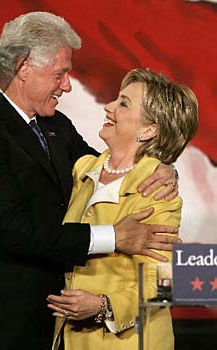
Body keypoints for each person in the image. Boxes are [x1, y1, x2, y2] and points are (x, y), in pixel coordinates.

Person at [0, 12, 179, 350]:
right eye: (60, 73)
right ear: (23, 68)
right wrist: (115, 237)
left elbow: (191, 280)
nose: (67, 85)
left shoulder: (57, 127)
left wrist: (164, 166)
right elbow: (19, 230)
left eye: (123, 102)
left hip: (105, 335)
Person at [47, 68, 198, 350]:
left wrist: (104, 306)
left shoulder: (157, 191)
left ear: (148, 130)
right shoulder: (83, 170)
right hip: (68, 338)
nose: (109, 106)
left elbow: (166, 280)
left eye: (124, 103)